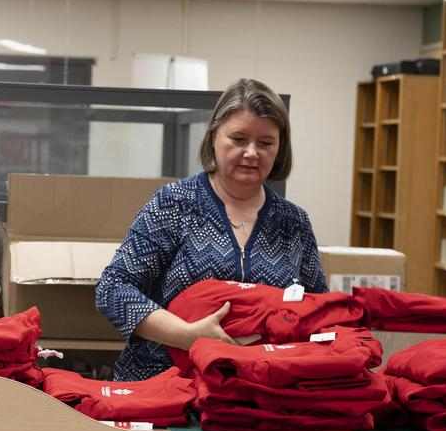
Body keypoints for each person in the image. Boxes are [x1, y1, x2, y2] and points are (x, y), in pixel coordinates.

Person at [95, 78, 328, 381]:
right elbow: (113, 289)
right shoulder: (175, 204)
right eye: (239, 139)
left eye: (266, 143)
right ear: (214, 137)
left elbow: (320, 310)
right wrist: (187, 335)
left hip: (259, 394)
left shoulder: (293, 223)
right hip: (166, 385)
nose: (252, 152)